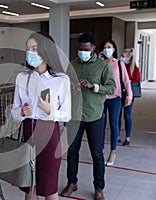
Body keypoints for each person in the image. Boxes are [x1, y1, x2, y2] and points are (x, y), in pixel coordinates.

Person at [12, 32, 71, 200]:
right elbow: (14, 112)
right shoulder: (22, 77)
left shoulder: (61, 79)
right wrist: (22, 112)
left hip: (50, 134)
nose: (30, 52)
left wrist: (50, 110)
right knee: (30, 187)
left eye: (35, 49)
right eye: (28, 49)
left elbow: (66, 115)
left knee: (49, 188)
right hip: (28, 131)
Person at [60, 33, 116, 200]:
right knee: (72, 151)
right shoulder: (72, 65)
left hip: (94, 116)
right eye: (79, 49)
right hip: (75, 116)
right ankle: (72, 182)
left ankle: (99, 188)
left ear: (93, 48)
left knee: (97, 154)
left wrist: (94, 86)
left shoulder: (102, 66)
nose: (81, 52)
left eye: (85, 49)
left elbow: (111, 88)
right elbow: (63, 87)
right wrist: (71, 88)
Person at [99, 40, 132, 166]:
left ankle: (113, 151)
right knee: (100, 125)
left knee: (114, 125)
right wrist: (98, 59)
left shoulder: (119, 64)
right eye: (105, 47)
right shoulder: (99, 63)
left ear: (113, 49)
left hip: (115, 98)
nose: (107, 49)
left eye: (109, 47)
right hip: (101, 98)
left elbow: (126, 81)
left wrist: (129, 94)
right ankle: (100, 151)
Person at [118, 48, 141, 146]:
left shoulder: (134, 69)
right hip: (119, 93)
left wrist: (128, 83)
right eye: (121, 56)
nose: (121, 58)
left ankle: (127, 137)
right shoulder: (119, 66)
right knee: (117, 115)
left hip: (128, 94)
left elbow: (137, 81)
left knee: (127, 115)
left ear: (129, 58)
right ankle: (117, 136)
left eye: (123, 57)